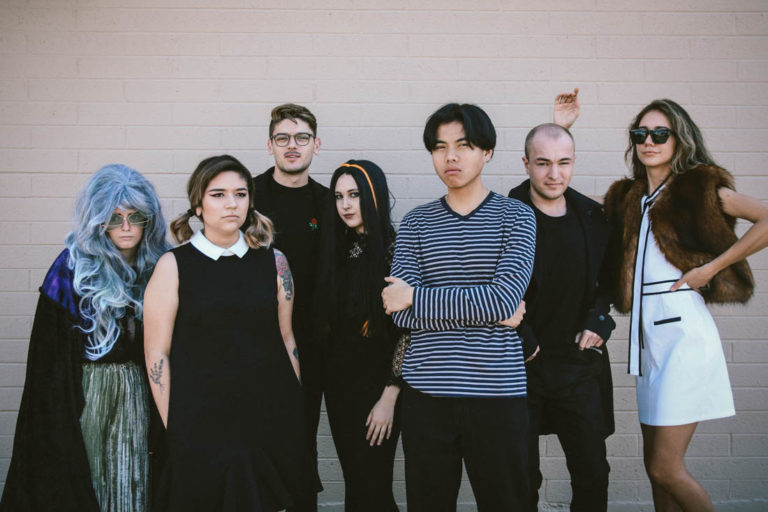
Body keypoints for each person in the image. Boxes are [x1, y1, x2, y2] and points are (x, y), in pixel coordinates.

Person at [603, 99, 768, 512]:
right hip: (646, 341)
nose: (649, 142)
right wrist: (559, 127)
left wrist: (710, 268)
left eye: (660, 134)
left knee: (665, 468)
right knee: (653, 469)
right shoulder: (631, 198)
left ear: (679, 138)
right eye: (640, 134)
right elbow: (558, 193)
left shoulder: (698, 189)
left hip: (684, 336)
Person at [382, 103, 535, 511]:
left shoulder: (516, 217)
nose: (450, 156)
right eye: (440, 147)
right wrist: (486, 307)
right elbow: (397, 312)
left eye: (464, 145)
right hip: (427, 396)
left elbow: (504, 297)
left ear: (486, 152)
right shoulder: (416, 223)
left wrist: (418, 295)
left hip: (497, 395)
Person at [0, 165, 168, 512]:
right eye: (113, 217)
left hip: (138, 392)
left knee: (132, 478)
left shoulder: (161, 267)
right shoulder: (71, 269)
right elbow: (48, 362)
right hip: (86, 394)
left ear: (148, 220)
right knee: (88, 477)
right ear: (98, 221)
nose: (125, 226)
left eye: (135, 216)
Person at [143, 154, 304, 511]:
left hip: (267, 417)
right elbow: (157, 353)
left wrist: (292, 405)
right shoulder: (174, 265)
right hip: (201, 423)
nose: (232, 203)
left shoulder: (274, 261)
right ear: (198, 206)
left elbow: (286, 338)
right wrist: (178, 425)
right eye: (218, 194)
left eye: (240, 193)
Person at [508, 89, 615, 512]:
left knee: (592, 474)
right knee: (521, 479)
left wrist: (599, 320)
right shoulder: (507, 213)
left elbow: (608, 281)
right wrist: (524, 338)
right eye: (543, 163)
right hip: (523, 364)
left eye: (564, 162)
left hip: (578, 366)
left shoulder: (593, 216)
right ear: (526, 165)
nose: (555, 174)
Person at [314, 160, 408, 511]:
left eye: (354, 194)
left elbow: (408, 331)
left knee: (374, 486)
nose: (346, 205)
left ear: (373, 196)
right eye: (338, 196)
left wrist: (389, 396)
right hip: (340, 388)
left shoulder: (395, 252)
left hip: (379, 390)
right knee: (358, 483)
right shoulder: (337, 252)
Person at [252, 103, 330, 511]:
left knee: (301, 443)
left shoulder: (327, 201)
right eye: (283, 138)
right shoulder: (248, 195)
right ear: (270, 145)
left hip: (310, 346)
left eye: (301, 138)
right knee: (252, 443)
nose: (292, 146)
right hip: (251, 344)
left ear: (317, 144)